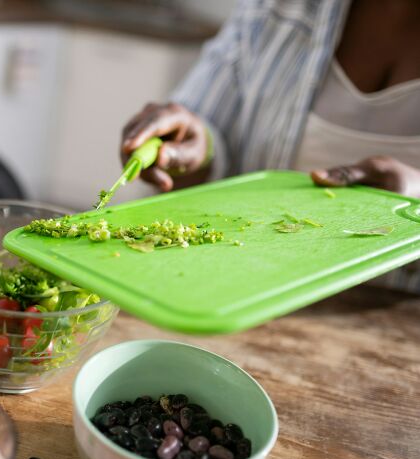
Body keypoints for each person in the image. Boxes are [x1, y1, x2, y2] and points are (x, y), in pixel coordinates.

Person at [120, 0, 420, 292]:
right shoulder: (272, 9)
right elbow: (204, 132)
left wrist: (415, 207)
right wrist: (193, 150)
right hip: (237, 292)